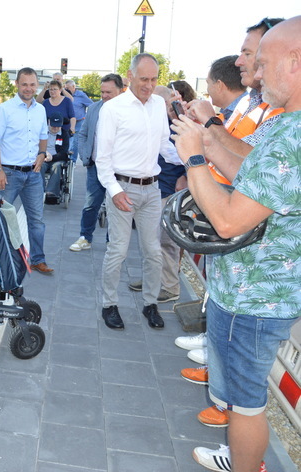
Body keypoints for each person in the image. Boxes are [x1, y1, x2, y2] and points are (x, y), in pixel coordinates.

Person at [170, 17, 300, 472]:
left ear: (295, 61)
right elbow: (246, 165)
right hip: (242, 293)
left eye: (263, 63)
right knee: (238, 396)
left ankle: (246, 465)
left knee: (245, 404)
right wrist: (206, 137)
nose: (257, 74)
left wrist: (193, 156)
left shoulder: (294, 135)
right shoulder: (285, 125)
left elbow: (227, 221)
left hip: (255, 301)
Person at [96, 53, 182, 330]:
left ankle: (150, 304)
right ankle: (109, 305)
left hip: (152, 189)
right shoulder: (113, 108)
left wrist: (191, 158)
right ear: (129, 76)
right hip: (123, 189)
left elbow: (164, 146)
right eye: (144, 79)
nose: (149, 85)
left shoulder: (158, 104)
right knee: (118, 251)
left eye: (154, 79)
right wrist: (114, 191)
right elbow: (102, 158)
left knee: (153, 252)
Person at [185, 18, 285, 185]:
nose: (238, 62)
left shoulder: (285, 110)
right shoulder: (250, 100)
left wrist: (210, 120)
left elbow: (250, 159)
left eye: (247, 54)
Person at [0, 67, 52, 274]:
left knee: (37, 221)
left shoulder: (40, 110)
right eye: (24, 84)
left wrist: (42, 154)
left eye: (32, 84)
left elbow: (44, 135)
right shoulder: (4, 110)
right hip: (9, 175)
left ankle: (38, 260)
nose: (28, 88)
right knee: (1, 219)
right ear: (17, 84)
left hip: (33, 174)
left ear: (37, 86)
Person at [128, 85, 187, 303]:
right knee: (150, 241)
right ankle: (152, 279)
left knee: (166, 242)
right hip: (153, 189)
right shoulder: (156, 124)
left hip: (168, 190)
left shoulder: (178, 126)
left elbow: (188, 157)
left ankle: (170, 287)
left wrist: (185, 176)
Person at [69, 73, 124, 252]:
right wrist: (86, 156)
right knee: (91, 203)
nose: (104, 95)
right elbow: (83, 133)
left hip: (120, 170)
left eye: (109, 92)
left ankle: (112, 242)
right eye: (102, 92)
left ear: (121, 90)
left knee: (116, 207)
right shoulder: (94, 109)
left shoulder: (128, 111)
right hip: (96, 167)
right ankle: (85, 237)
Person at [205, 55, 248, 123]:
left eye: (208, 83)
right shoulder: (227, 114)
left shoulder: (247, 115)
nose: (207, 89)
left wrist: (207, 119)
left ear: (219, 85)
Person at [41, 113, 69, 203]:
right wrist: (44, 154)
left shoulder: (64, 134)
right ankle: (39, 190)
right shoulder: (43, 132)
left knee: (56, 167)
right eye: (53, 126)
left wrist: (52, 157)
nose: (55, 128)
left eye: (58, 126)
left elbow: (64, 151)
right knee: (39, 166)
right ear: (49, 123)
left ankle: (51, 193)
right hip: (43, 157)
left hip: (57, 159)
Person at [41, 80, 75, 153]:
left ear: (60, 90)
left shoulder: (67, 101)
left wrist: (72, 128)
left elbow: (72, 116)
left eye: (55, 89)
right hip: (49, 133)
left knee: (63, 153)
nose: (52, 91)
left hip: (64, 133)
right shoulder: (46, 102)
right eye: (50, 89)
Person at [64, 80, 93, 165]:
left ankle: (72, 161)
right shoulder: (64, 95)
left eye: (68, 88)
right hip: (67, 123)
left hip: (79, 122)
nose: (66, 90)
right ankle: (65, 158)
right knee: (67, 141)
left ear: (74, 87)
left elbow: (91, 106)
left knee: (75, 142)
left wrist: (86, 117)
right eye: (65, 88)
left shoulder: (81, 95)